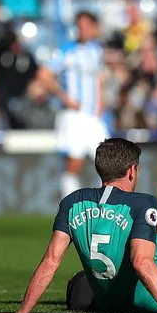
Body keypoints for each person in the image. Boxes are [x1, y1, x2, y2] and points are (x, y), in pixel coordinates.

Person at [0, 138, 157, 313]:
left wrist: (22, 312)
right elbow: (141, 262)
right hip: (153, 302)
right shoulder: (143, 203)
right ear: (131, 171)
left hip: (110, 304)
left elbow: (50, 261)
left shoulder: (72, 202)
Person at [51, 11, 109, 198]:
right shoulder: (67, 51)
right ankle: (70, 204)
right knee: (74, 162)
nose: (81, 30)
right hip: (74, 115)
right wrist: (65, 98)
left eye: (85, 26)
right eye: (79, 26)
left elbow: (99, 78)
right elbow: (44, 75)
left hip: (93, 116)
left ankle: (104, 204)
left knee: (108, 162)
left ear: (94, 28)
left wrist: (102, 101)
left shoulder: (96, 51)